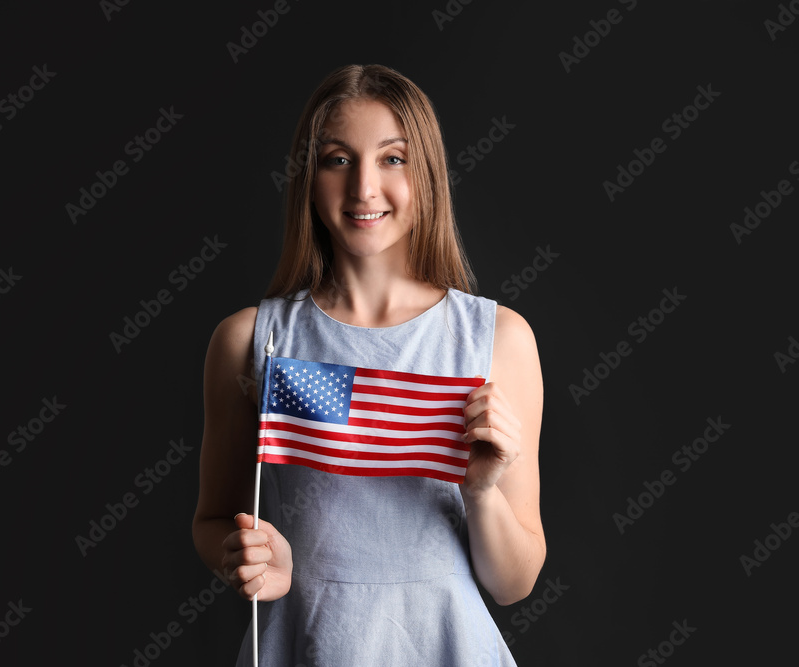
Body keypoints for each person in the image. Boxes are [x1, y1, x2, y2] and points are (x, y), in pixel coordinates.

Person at [192, 63, 545, 666]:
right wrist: (247, 556)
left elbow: (514, 584)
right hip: (305, 644)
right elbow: (212, 518)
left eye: (392, 159)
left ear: (427, 174)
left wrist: (481, 492)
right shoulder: (251, 340)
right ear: (309, 176)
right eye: (337, 159)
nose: (363, 189)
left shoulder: (498, 339)